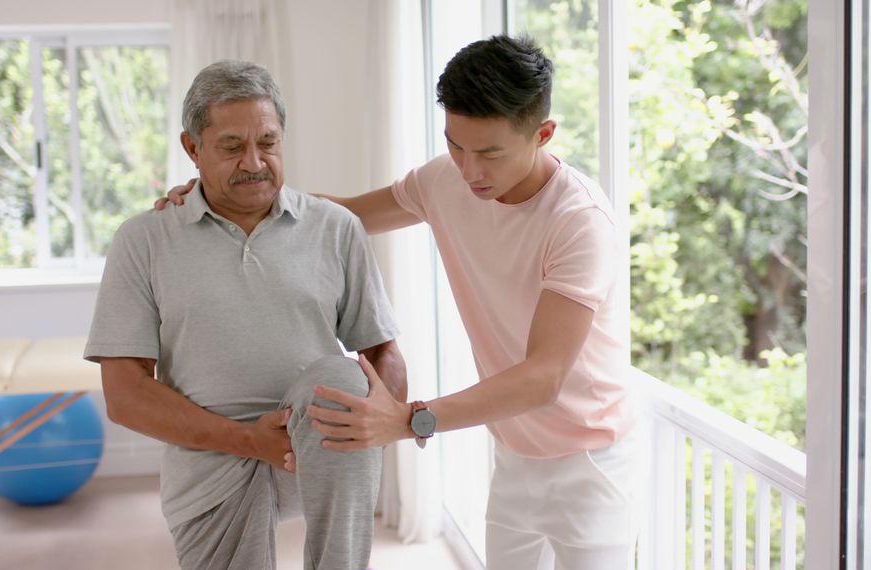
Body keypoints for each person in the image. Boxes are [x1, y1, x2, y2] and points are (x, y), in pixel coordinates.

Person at [160, 35, 644, 570]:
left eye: (490, 153)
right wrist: (219, 188)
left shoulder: (579, 223)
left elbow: (542, 377)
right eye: (456, 144)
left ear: (544, 134)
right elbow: (342, 215)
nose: (470, 169)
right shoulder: (447, 178)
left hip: (590, 463)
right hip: (514, 454)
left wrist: (413, 419)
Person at [87, 59, 406, 570]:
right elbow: (125, 395)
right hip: (212, 465)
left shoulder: (335, 228)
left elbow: (383, 352)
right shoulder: (144, 240)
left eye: (269, 143)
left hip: (314, 453)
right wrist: (248, 442)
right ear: (193, 148)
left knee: (341, 376)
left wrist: (386, 422)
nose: (254, 162)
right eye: (232, 147)